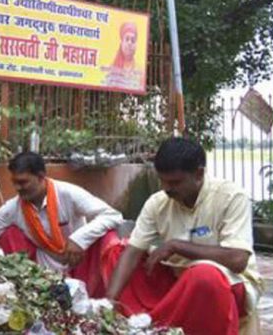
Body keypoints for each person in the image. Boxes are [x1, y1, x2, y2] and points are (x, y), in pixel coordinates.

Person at [105, 138, 261, 334]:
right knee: (118, 252)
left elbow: (238, 260)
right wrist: (108, 301)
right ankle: (145, 323)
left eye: (175, 182)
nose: (167, 188)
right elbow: (133, 251)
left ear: (199, 174)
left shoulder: (231, 197)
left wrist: (176, 246)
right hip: (177, 280)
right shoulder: (157, 202)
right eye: (162, 180)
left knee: (204, 275)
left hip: (227, 284)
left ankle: (156, 325)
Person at [0, 152, 123, 298]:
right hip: (40, 273)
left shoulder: (68, 193)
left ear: (41, 177)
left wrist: (79, 239)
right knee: (8, 233)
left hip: (79, 262)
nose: (17, 188)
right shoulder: (12, 208)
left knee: (109, 238)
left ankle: (104, 295)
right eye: (14, 183)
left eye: (23, 182)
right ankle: (25, 290)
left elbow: (113, 215)